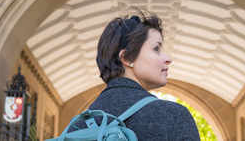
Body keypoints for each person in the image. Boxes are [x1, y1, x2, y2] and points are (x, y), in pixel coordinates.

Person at [85, 13, 200, 141]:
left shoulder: (79, 126)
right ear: (127, 58)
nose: (168, 59)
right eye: (156, 48)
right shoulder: (174, 116)